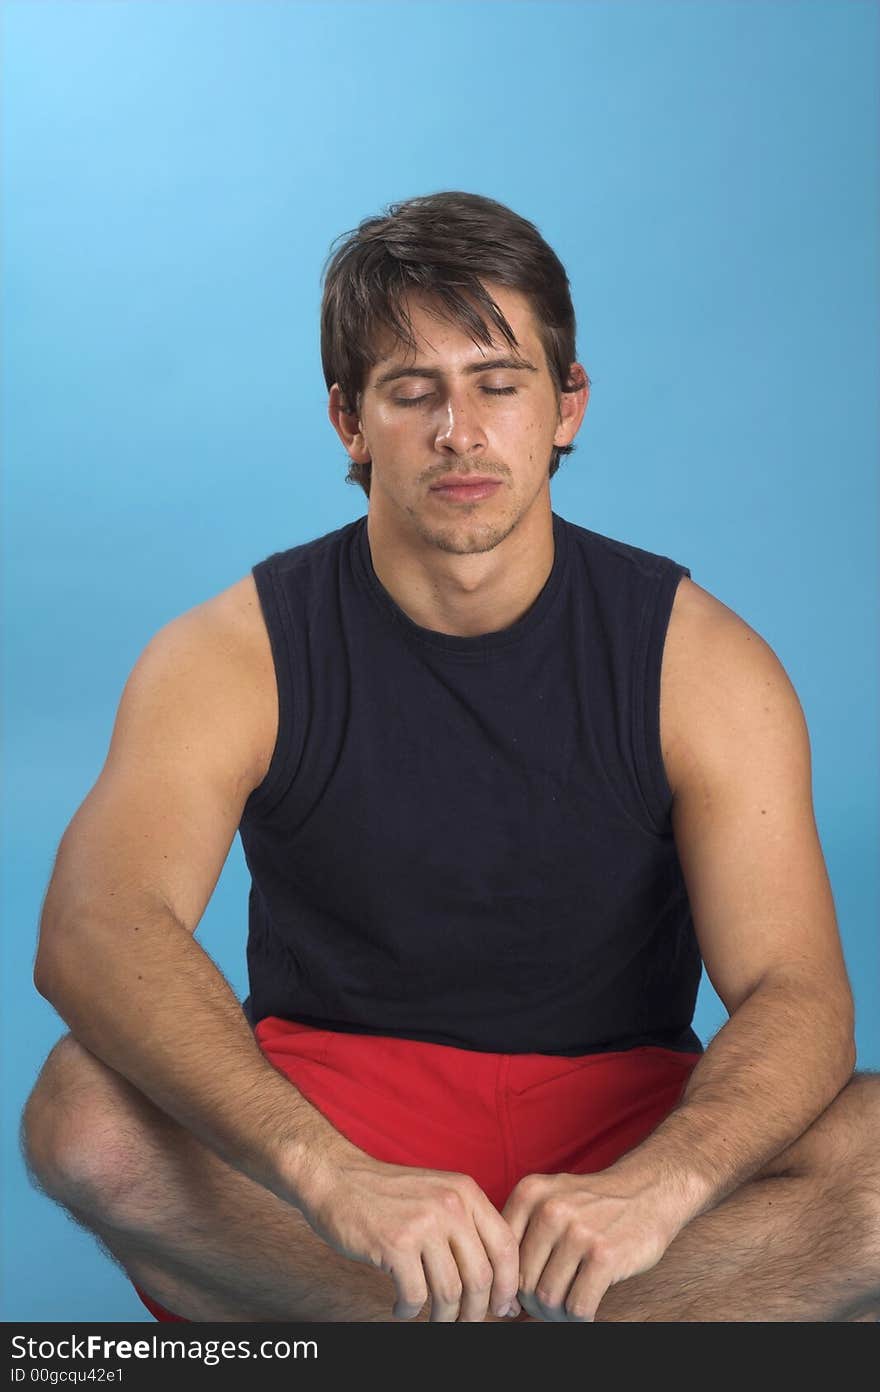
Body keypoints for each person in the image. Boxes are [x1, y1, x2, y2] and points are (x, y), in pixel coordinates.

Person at [21, 191, 880, 1324]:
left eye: (499, 383)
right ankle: (595, 1327)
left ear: (566, 407)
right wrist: (329, 1175)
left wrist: (661, 1190)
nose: (457, 432)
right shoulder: (231, 653)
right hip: (332, 1110)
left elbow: (796, 993)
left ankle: (419, 1327)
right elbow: (96, 925)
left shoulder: (701, 661)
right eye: (410, 390)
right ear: (347, 420)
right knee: (80, 1112)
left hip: (619, 1126)